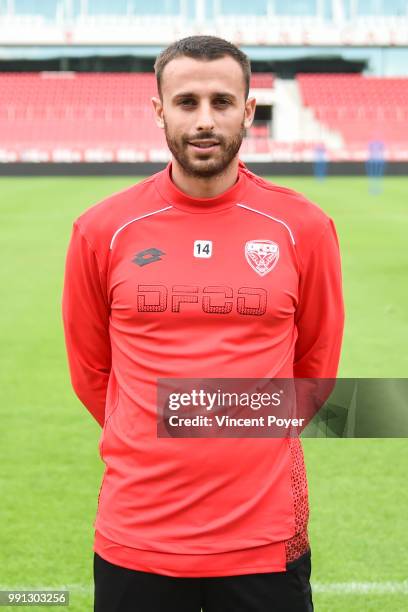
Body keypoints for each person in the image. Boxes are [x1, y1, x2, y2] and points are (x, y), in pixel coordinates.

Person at [62, 35, 344, 612]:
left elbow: (315, 372)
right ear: (159, 109)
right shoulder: (102, 230)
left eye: (222, 101)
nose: (205, 120)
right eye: (187, 102)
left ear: (248, 109)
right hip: (137, 537)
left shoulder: (304, 228)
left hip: (264, 541)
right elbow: (93, 374)